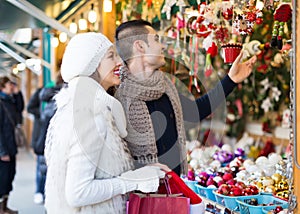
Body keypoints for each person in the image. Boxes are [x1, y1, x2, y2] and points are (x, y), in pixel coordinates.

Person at [114, 19, 257, 175]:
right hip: (143, 192)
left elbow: (196, 111)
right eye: (156, 40)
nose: (162, 46)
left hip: (175, 186)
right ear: (140, 46)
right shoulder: (118, 97)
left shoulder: (165, 86)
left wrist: (230, 80)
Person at [44, 32, 167, 214]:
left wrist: (143, 171)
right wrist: (133, 181)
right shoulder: (90, 114)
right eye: (111, 56)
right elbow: (78, 193)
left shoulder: (88, 106)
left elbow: (103, 171)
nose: (119, 62)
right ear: (91, 66)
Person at [0, 76, 21, 214]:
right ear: (2, 87)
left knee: (10, 176)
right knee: (3, 178)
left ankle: (5, 207)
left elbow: (20, 108)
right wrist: (2, 152)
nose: (12, 86)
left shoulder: (10, 101)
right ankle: (1, 208)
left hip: (11, 145)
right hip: (4, 148)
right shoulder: (1, 103)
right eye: (9, 84)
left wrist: (18, 93)